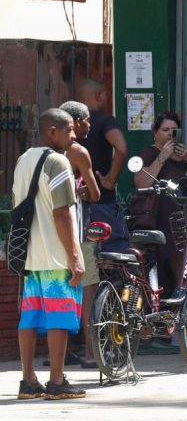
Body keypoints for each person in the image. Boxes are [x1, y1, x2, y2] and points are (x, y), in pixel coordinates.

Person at [14, 109, 86, 400]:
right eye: (69, 129)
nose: (74, 135)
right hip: (56, 254)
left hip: (31, 255)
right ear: (52, 131)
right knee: (59, 316)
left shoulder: (23, 160)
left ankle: (28, 381)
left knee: (29, 317)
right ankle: (56, 381)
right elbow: (61, 214)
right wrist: (74, 256)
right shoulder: (58, 161)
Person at [132, 111, 187, 296]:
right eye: (165, 130)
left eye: (174, 130)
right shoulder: (150, 152)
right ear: (155, 132)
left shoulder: (183, 154)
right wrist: (162, 157)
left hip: (181, 220)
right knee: (159, 271)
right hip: (159, 220)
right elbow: (140, 183)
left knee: (183, 272)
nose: (169, 134)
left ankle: (183, 312)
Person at [58, 101, 101, 370]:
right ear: (74, 122)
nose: (89, 125)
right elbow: (95, 194)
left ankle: (59, 353)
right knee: (88, 291)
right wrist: (85, 191)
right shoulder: (78, 152)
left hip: (51, 234)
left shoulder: (42, 152)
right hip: (77, 231)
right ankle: (89, 351)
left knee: (58, 293)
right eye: (86, 120)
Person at [77, 78, 129, 252]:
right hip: (102, 203)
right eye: (106, 94)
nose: (107, 98)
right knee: (112, 259)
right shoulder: (104, 120)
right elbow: (121, 148)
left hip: (74, 206)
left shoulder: (67, 126)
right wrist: (110, 179)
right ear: (99, 95)